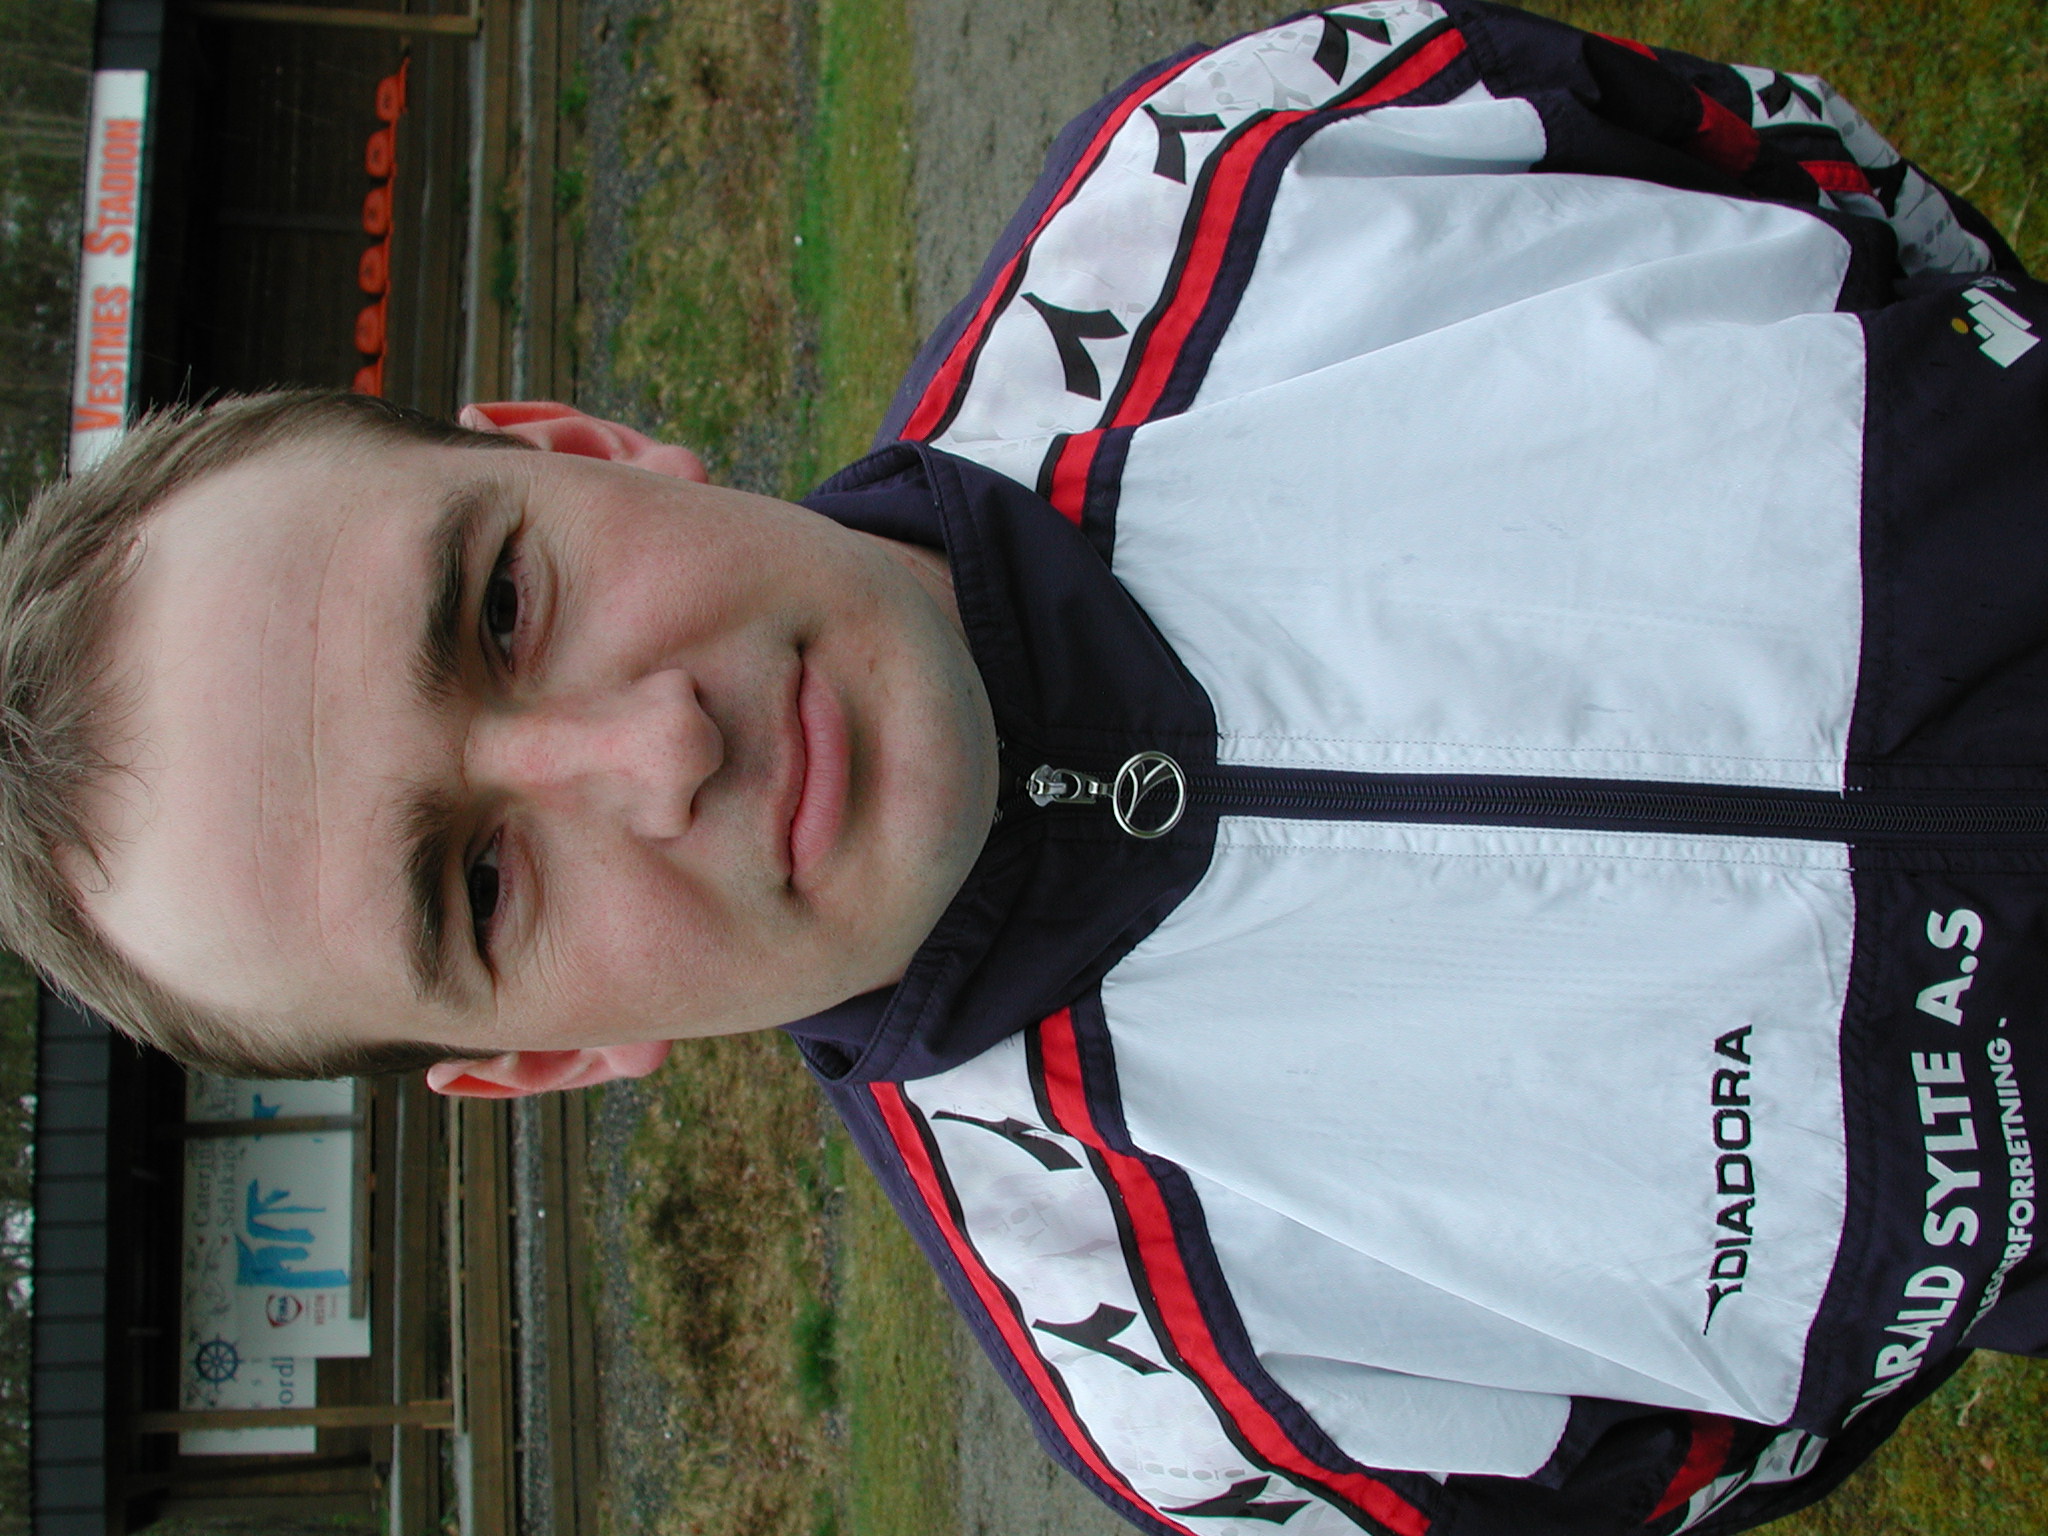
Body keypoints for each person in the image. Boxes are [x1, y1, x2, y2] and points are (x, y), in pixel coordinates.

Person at [4, 2, 2046, 1531]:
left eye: (505, 603)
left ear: (583, 450)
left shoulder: (1240, 169)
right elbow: (1725, 1441)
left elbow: (1811, 193)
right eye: (476, 887)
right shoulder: (1203, 1408)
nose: (655, 748)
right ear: (543, 1058)